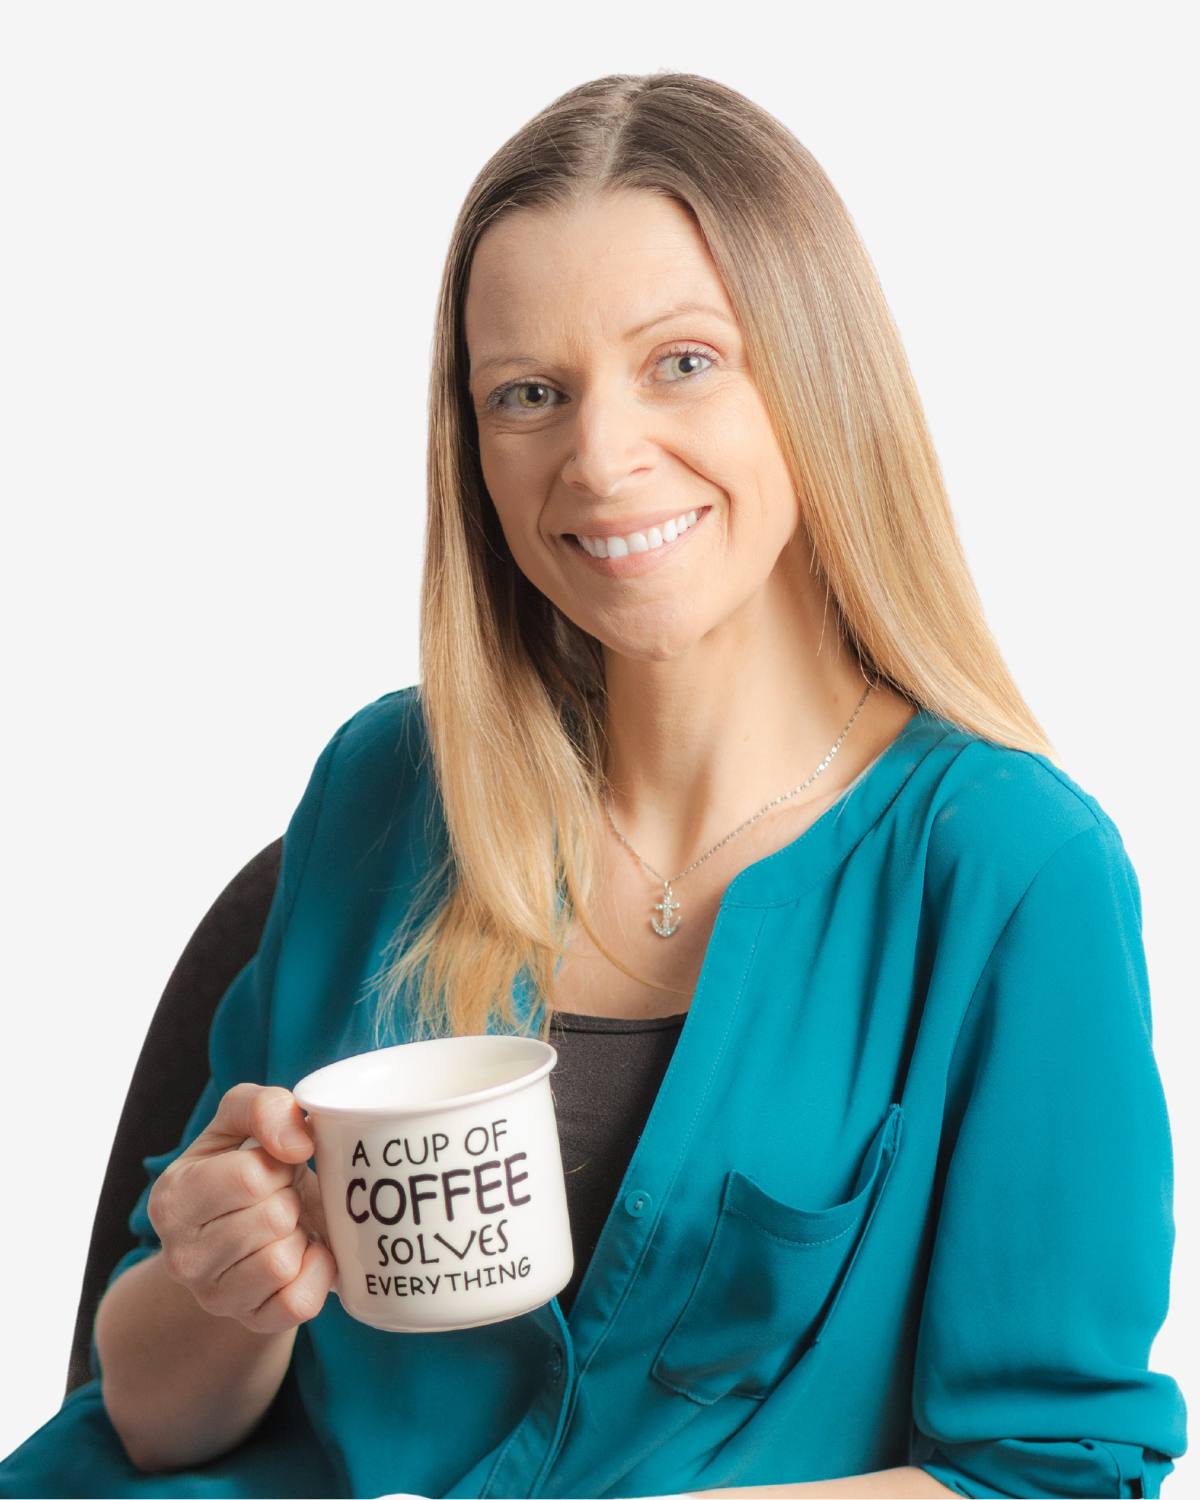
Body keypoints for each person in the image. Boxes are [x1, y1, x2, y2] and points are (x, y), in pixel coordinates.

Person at [0, 70, 1186, 1500]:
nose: (601, 457)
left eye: (683, 361)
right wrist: (214, 1278)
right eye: (529, 394)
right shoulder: (388, 786)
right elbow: (144, 1413)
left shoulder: (1006, 871)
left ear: (816, 378)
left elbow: (1047, 1473)